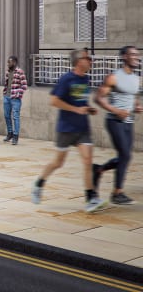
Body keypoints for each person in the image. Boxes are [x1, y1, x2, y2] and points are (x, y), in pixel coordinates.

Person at [31, 49, 106, 213]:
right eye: (88, 58)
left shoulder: (85, 78)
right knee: (58, 163)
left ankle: (91, 198)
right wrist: (75, 109)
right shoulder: (66, 79)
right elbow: (54, 100)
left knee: (87, 161)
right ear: (79, 61)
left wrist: (88, 109)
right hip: (66, 128)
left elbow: (80, 101)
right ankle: (39, 183)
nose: (91, 60)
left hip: (82, 128)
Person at [92, 45, 143, 205]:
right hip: (114, 121)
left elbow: (131, 96)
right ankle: (117, 192)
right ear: (124, 57)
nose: (137, 57)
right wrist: (115, 110)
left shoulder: (136, 78)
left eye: (137, 54)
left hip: (128, 122)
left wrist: (136, 106)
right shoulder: (113, 77)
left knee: (125, 156)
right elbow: (98, 98)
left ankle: (98, 170)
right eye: (132, 54)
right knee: (126, 156)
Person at [3, 56, 28, 145]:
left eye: (9, 62)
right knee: (6, 115)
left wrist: (17, 94)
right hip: (6, 97)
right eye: (7, 62)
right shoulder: (7, 72)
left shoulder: (20, 72)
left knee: (15, 117)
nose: (8, 64)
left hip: (15, 99)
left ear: (14, 62)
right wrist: (5, 93)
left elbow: (24, 86)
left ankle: (16, 136)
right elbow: (7, 84)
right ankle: (10, 133)